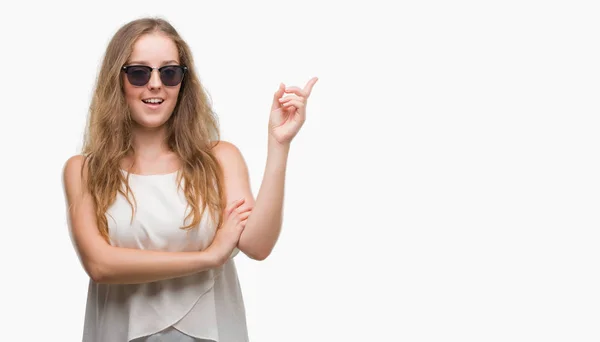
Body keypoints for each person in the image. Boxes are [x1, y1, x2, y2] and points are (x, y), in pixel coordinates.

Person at [62, 17, 318, 342]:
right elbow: (100, 265)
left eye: (169, 73)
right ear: (117, 79)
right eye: (139, 73)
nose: (155, 84)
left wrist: (279, 145)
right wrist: (208, 257)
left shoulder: (220, 159)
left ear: (183, 81)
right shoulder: (84, 170)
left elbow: (257, 245)